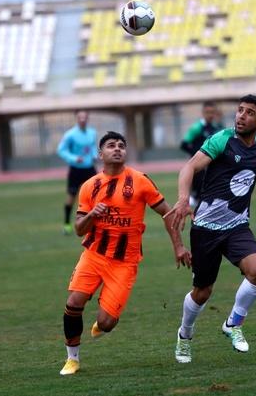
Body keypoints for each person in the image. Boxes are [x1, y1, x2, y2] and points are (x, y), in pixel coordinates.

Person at [165, 94, 256, 363]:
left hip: (237, 226)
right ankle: (185, 334)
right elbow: (189, 167)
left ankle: (233, 324)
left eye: (249, 112)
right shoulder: (222, 140)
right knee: (202, 292)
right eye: (240, 110)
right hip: (205, 227)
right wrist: (183, 199)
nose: (241, 116)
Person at [59, 131, 191, 376]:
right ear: (100, 154)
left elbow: (167, 213)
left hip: (124, 262)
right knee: (74, 302)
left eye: (121, 145)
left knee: (106, 323)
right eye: (111, 145)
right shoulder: (90, 186)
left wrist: (179, 246)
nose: (117, 148)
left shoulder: (140, 181)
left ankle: (105, 321)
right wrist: (92, 215)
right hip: (94, 255)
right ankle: (72, 359)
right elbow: (78, 229)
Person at [57, 110, 99, 235]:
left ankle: (96, 224)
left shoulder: (92, 133)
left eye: (85, 117)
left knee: (97, 196)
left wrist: (94, 155)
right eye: (80, 117)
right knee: (72, 197)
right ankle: (67, 224)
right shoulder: (70, 134)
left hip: (90, 168)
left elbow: (92, 147)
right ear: (76, 119)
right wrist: (74, 158)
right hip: (75, 169)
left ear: (87, 118)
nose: (82, 119)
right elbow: (61, 150)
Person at [179, 101, 222, 207]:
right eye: (208, 112)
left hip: (212, 164)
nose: (210, 115)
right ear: (203, 113)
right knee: (199, 188)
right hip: (199, 164)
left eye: (212, 112)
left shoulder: (216, 128)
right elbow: (184, 144)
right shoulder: (197, 128)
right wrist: (197, 155)